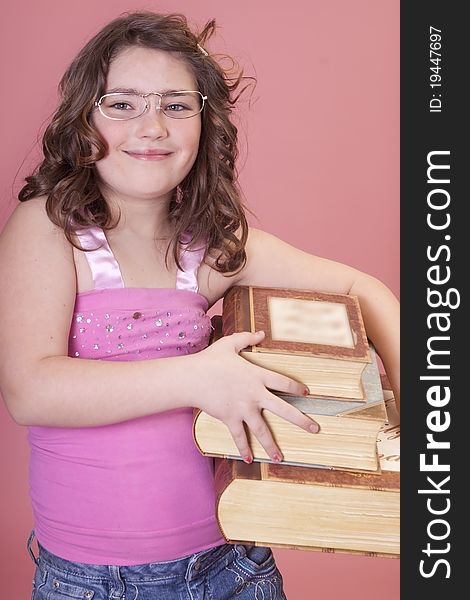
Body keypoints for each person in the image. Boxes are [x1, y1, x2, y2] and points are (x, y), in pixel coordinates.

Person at [0, 11, 400, 600]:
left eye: (176, 105)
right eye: (123, 104)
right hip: (95, 582)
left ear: (205, 125)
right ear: (84, 118)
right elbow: (31, 390)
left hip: (234, 566)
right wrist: (196, 377)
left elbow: (363, 289)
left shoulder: (209, 247)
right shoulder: (48, 229)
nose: (152, 126)